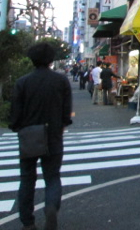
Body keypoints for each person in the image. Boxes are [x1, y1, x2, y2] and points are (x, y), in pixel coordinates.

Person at [9, 42, 73, 230]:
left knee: (27, 179)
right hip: (53, 134)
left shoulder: (22, 82)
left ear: (31, 59)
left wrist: (17, 127)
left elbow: (15, 113)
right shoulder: (61, 81)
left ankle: (28, 222)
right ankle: (51, 207)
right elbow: (66, 111)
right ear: (51, 60)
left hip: (29, 134)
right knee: (52, 176)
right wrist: (62, 124)